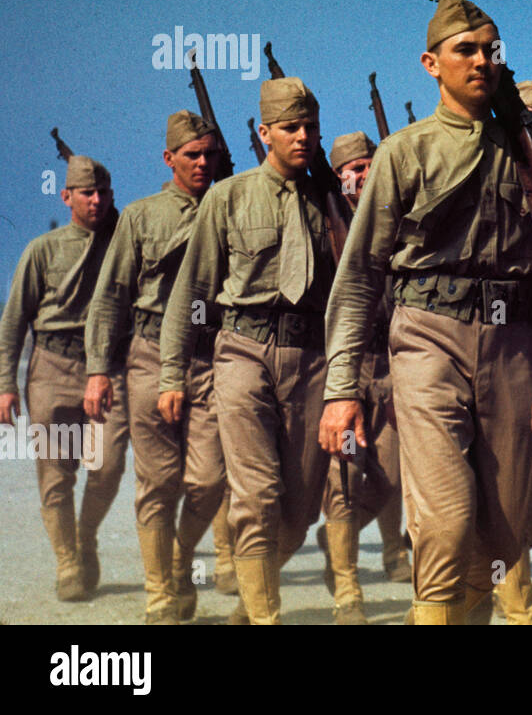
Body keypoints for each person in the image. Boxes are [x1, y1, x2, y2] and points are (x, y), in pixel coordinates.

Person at [322, 0, 532, 625]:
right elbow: (358, 280)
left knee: (511, 532)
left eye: (491, 50)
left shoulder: (527, 152)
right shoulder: (405, 152)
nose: (480, 60)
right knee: (447, 525)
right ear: (431, 63)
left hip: (513, 342)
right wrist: (341, 389)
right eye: (465, 50)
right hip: (427, 338)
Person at [159, 78, 334, 624]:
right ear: (265, 133)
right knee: (255, 498)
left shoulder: (332, 205)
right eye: (289, 128)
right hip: (243, 352)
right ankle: (265, 617)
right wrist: (172, 373)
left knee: (301, 508)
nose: (302, 137)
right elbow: (191, 293)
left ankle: (253, 598)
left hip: (310, 360)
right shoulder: (228, 196)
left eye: (309, 127)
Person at [83, 111, 227, 623]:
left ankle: (181, 555)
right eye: (192, 156)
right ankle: (160, 594)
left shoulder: (228, 205)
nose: (203, 164)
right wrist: (99, 370)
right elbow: (111, 296)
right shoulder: (141, 217)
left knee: (210, 480)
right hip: (147, 357)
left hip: (211, 357)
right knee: (158, 482)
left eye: (210, 155)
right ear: (169, 159)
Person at [0, 155, 130, 602]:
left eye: (103, 194)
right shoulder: (43, 249)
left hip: (108, 368)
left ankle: (86, 533)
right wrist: (5, 384)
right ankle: (68, 561)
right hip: (52, 368)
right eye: (87, 193)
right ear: (66, 196)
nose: (96, 201)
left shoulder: (122, 243)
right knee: (56, 475)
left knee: (109, 465)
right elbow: (14, 320)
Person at [313, 130, 409, 624]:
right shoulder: (321, 226)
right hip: (343, 371)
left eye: (372, 164)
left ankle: (335, 544)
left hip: (394, 367)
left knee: (391, 476)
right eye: (356, 168)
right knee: (345, 477)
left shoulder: (401, 218)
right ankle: (347, 587)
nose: (365, 174)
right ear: (338, 178)